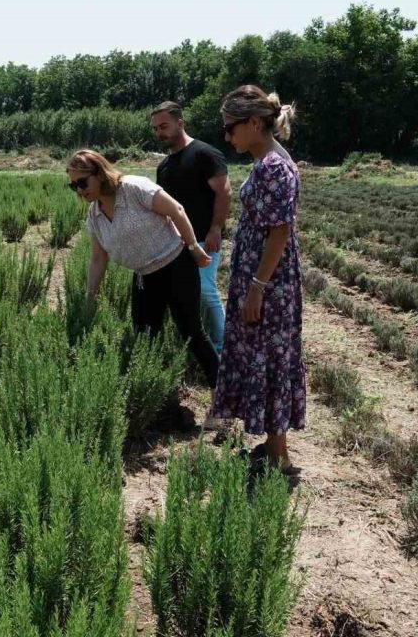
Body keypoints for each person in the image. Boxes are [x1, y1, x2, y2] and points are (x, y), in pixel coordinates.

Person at [208, 85, 306, 473]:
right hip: (263, 280)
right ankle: (273, 446)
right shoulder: (267, 161)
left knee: (271, 359)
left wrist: (257, 289)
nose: (227, 136)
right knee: (265, 358)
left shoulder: (273, 167)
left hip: (270, 284)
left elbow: (279, 233)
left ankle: (278, 456)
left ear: (253, 123)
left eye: (231, 127)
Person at [67, 149, 219, 387]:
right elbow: (98, 258)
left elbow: (176, 210)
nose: (79, 189)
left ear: (99, 173)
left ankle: (220, 394)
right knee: (143, 339)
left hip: (176, 265)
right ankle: (155, 393)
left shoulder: (134, 188)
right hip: (144, 277)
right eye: (73, 186)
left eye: (82, 182)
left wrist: (193, 247)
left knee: (191, 332)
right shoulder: (94, 215)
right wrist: (91, 295)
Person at [151, 101, 233, 354]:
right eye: (155, 129)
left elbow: (225, 192)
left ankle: (221, 347)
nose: (159, 132)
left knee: (206, 291)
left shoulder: (204, 154)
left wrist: (216, 229)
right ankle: (193, 343)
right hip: (174, 243)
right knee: (181, 295)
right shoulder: (163, 166)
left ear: (180, 123)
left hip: (203, 238)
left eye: (163, 126)